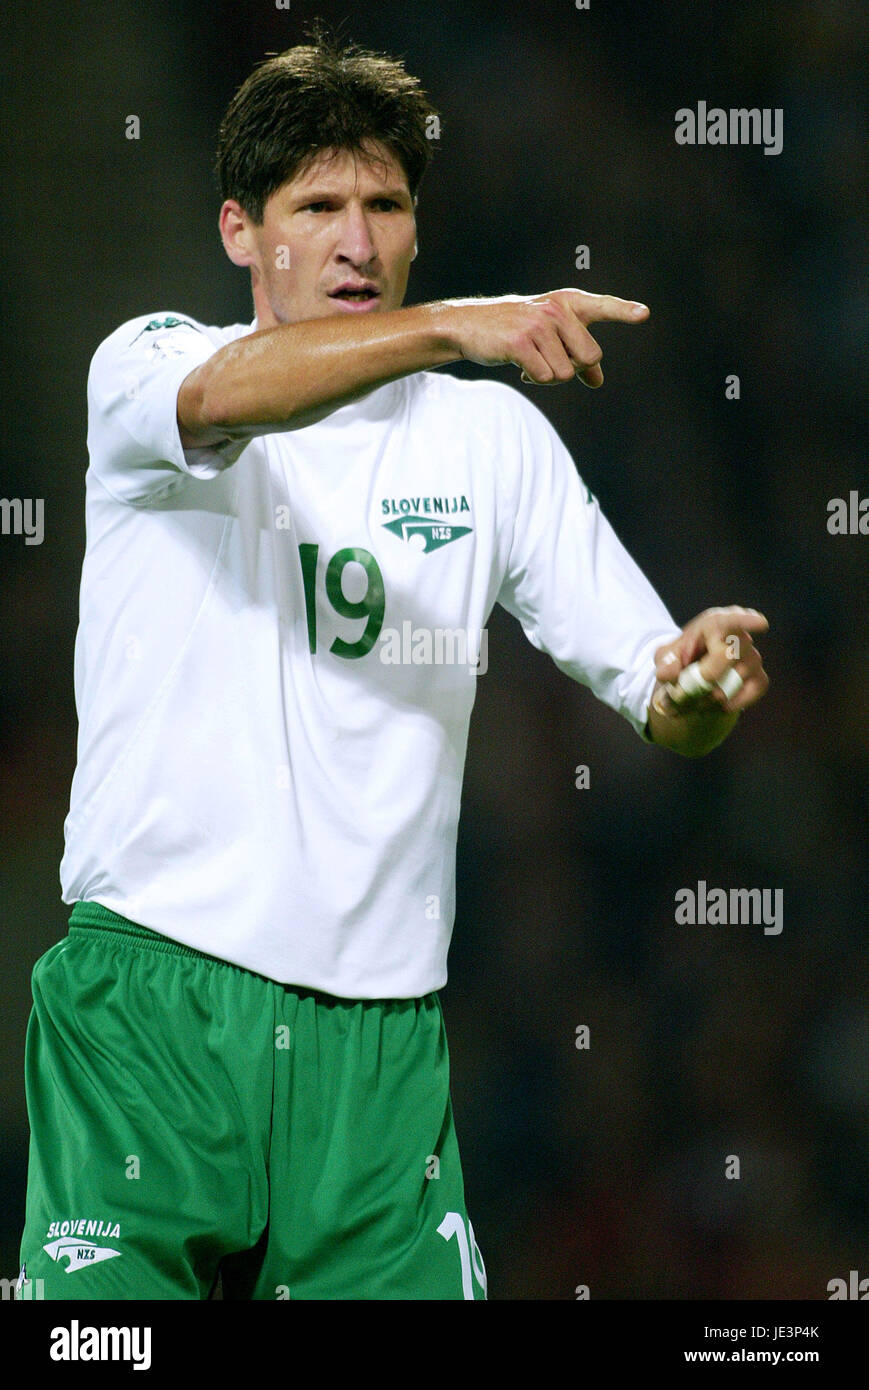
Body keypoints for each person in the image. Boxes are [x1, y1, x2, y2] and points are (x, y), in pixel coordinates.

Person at [17, 32, 769, 1302]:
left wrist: (693, 688)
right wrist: (450, 331)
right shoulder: (143, 366)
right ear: (240, 233)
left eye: (385, 205)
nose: (357, 240)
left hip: (379, 1054)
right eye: (317, 207)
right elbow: (232, 395)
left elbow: (658, 688)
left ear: (417, 225)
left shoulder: (492, 443)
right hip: (151, 1008)